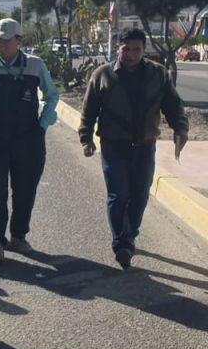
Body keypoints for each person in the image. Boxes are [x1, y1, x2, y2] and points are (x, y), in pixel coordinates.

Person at [79, 28, 188, 269]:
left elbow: (172, 104)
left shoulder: (158, 74)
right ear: (118, 48)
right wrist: (85, 138)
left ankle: (130, 234)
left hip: (145, 146)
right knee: (119, 195)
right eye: (126, 49)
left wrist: (180, 128)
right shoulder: (103, 75)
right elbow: (89, 110)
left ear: (144, 50)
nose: (130, 54)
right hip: (113, 147)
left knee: (139, 196)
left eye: (136, 49)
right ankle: (122, 244)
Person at [0, 18, 60, 267]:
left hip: (28, 140)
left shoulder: (35, 66)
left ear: (19, 41)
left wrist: (42, 124)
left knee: (25, 190)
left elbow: (52, 95)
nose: (0, 45)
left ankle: (18, 236)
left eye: (6, 41)